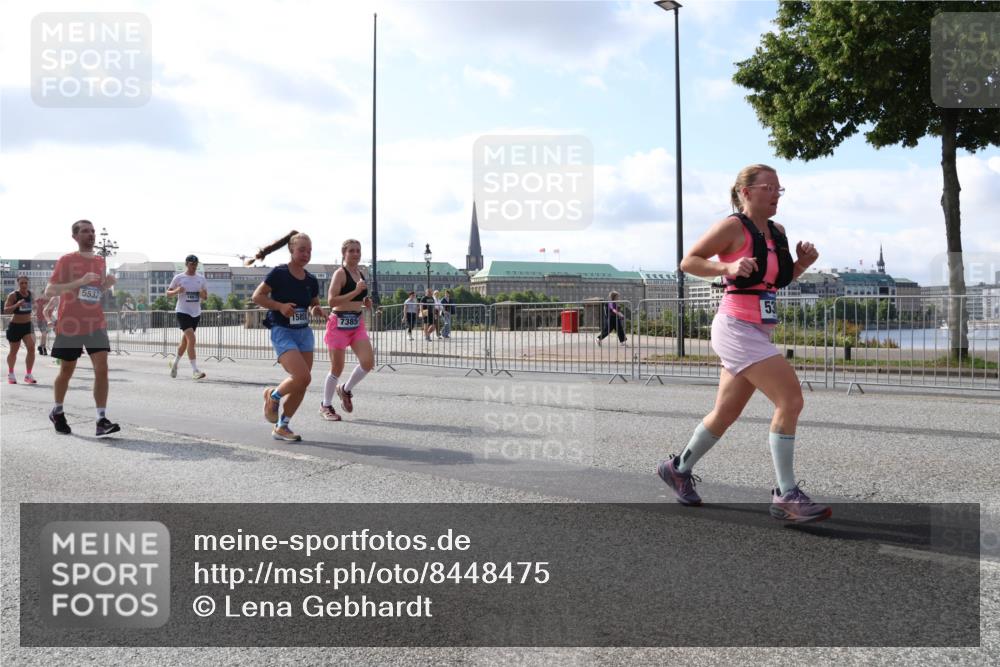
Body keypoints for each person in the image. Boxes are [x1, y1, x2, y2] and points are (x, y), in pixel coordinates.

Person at [656, 164, 829, 523]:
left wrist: (802, 265)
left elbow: (773, 281)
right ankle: (786, 494)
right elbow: (689, 261)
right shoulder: (733, 227)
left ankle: (677, 468)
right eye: (769, 188)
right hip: (735, 327)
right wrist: (727, 269)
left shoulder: (778, 232)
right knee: (791, 399)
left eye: (780, 189)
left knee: (726, 412)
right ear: (745, 192)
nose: (776, 195)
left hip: (758, 328)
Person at [45, 219, 120, 436]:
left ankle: (101, 419)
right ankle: (57, 411)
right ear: (75, 236)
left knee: (102, 368)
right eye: (86, 231)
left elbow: (94, 294)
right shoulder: (67, 261)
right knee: (67, 370)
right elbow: (51, 290)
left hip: (95, 322)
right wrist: (80, 281)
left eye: (93, 231)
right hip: (70, 322)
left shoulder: (99, 261)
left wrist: (106, 286)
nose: (91, 234)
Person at [250, 231, 324, 441]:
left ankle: (282, 426)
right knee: (302, 376)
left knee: (302, 383)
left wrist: (316, 310)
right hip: (282, 330)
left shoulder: (311, 279)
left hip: (304, 333)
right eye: (302, 250)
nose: (306, 254)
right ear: (291, 250)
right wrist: (279, 306)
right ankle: (273, 396)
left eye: (309, 250)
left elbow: (313, 303)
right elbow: (257, 296)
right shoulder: (279, 273)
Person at [321, 239, 375, 420]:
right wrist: (355, 292)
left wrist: (365, 301)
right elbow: (331, 301)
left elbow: (359, 296)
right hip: (339, 323)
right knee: (337, 368)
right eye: (351, 251)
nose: (356, 254)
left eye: (358, 250)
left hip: (356, 323)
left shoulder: (360, 273)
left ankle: (345, 389)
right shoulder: (340, 273)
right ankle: (326, 406)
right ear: (344, 253)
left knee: (368, 363)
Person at [166, 255, 209, 380]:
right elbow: (168, 293)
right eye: (191, 264)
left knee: (185, 341)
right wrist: (176, 291)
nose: (194, 266)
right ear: (186, 264)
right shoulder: (179, 277)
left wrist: (202, 294)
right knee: (192, 339)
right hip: (182, 311)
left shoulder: (201, 279)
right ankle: (195, 370)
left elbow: (205, 296)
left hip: (195, 313)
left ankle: (174, 363)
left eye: (195, 264)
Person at [4, 276, 38, 384]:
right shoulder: (13, 295)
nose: (24, 285)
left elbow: (35, 306)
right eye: (22, 283)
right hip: (15, 326)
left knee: (32, 348)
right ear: (18, 283)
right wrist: (17, 304)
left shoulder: (31, 294)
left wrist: (36, 308)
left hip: (28, 326)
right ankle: (11, 373)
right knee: (14, 351)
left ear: (28, 283)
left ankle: (28, 374)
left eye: (26, 283)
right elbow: (6, 311)